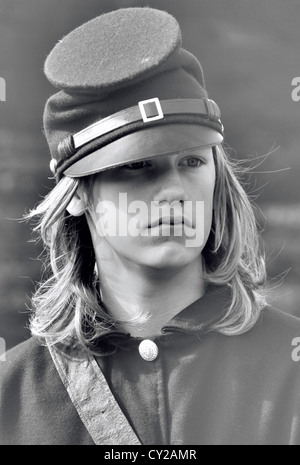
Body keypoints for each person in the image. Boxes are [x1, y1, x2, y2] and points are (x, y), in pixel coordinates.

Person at [1, 7, 300, 446]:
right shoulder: (13, 395)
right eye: (138, 166)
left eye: (193, 161)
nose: (174, 191)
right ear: (79, 194)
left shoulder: (289, 372)